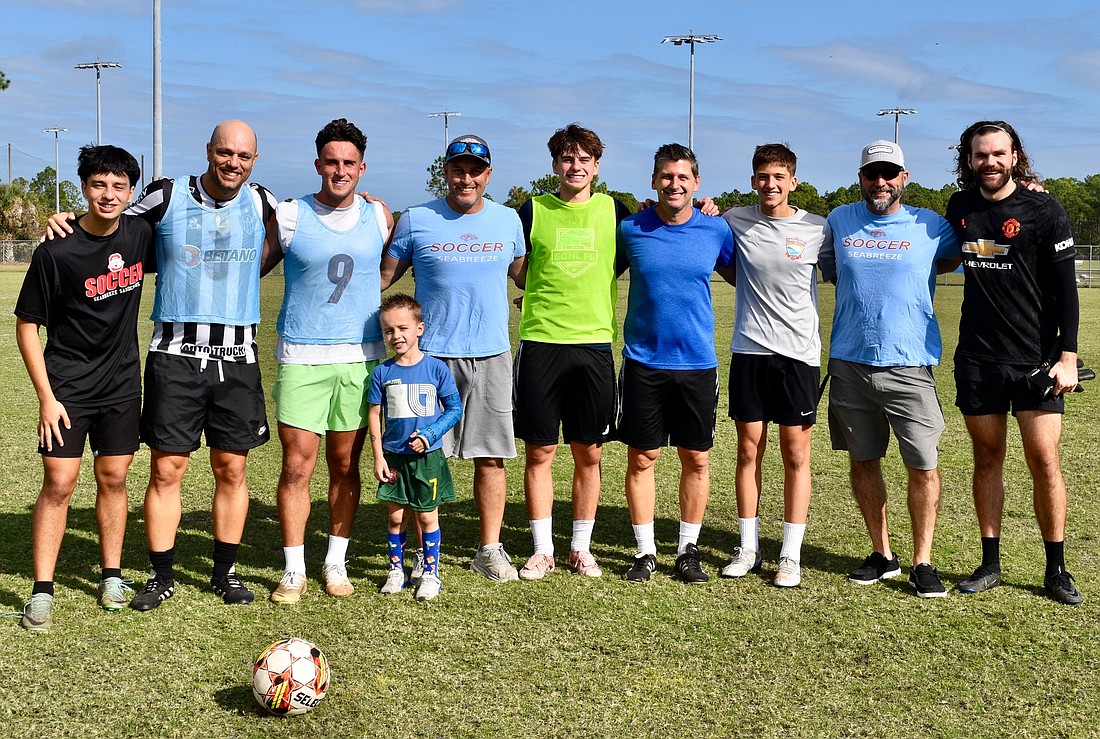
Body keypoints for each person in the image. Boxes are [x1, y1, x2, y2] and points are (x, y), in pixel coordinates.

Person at [46, 120, 278, 610]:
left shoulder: (264, 202)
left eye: (243, 155)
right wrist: (63, 220)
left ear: (254, 160)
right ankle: (162, 574)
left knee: (232, 468)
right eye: (224, 151)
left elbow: (303, 235)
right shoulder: (166, 194)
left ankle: (225, 571)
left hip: (239, 357)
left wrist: (373, 208)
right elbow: (110, 224)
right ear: (209, 150)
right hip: (175, 356)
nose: (233, 161)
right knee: (167, 468)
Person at [15, 145, 153, 631]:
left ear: (131, 191)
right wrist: (46, 398)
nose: (109, 194)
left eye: (119, 186)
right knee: (59, 484)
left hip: (120, 386)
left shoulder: (140, 234)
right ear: (84, 188)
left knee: (114, 479)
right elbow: (26, 326)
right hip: (67, 389)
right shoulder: (56, 249)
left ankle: (111, 576)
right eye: (98, 185)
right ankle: (42, 590)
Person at [946, 121, 1083, 605]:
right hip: (978, 359)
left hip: (1036, 360)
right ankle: (990, 563)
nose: (991, 162)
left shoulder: (1044, 208)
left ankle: (1057, 568)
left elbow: (1067, 289)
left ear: (1015, 155)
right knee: (987, 459)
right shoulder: (959, 206)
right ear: (968, 159)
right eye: (981, 155)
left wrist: (1067, 358)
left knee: (1044, 461)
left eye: (999, 153)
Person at [381, 134, 525, 583]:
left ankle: (489, 549)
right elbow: (382, 278)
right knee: (414, 456)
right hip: (429, 360)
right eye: (458, 169)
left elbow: (528, 277)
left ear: (488, 175)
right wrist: (368, 217)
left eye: (476, 170)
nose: (467, 178)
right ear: (445, 171)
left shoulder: (508, 221)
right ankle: (411, 558)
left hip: (490, 355)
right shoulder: (416, 219)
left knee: (491, 457)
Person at [819, 139, 959, 598]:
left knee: (922, 465)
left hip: (909, 364)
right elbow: (828, 267)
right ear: (860, 178)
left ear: (904, 177)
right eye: (871, 174)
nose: (880, 182)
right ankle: (883, 554)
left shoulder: (931, 225)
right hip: (849, 362)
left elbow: (972, 248)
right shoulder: (839, 220)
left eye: (889, 173)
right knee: (864, 461)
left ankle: (923, 561)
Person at [267, 119, 394, 604]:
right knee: (297, 466)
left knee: (345, 464)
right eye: (330, 162)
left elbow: (389, 271)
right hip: (302, 357)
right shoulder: (291, 214)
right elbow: (252, 264)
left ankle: (335, 562)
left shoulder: (379, 215)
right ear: (317, 163)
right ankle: (293, 569)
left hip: (361, 359)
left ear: (362, 167)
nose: (339, 171)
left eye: (348, 163)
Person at [513, 124, 632, 581]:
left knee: (590, 452)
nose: (575, 166)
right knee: (540, 451)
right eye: (567, 159)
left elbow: (621, 258)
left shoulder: (614, 210)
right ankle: (543, 549)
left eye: (585, 159)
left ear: (597, 166)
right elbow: (520, 271)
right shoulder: (533, 209)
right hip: (542, 343)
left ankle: (580, 548)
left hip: (594, 345)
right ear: (554, 165)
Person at [617, 143, 734, 584]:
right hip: (643, 362)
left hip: (697, 363)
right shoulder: (630, 228)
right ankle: (645, 551)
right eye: (667, 176)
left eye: (683, 177)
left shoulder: (716, 230)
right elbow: (592, 271)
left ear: (697, 183)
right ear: (653, 181)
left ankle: (688, 549)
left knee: (696, 458)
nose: (674, 184)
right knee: (643, 457)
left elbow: (748, 275)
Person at [719, 143, 831, 588]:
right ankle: (748, 547)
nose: (771, 185)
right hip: (749, 352)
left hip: (798, 357)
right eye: (763, 177)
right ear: (753, 181)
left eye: (779, 177)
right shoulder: (735, 220)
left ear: (793, 182)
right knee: (748, 451)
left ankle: (790, 555)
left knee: (795, 455)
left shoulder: (819, 229)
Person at [369, 294, 463, 602]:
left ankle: (430, 573)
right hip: (394, 458)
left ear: (419, 328)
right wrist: (378, 456)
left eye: (403, 328)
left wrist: (432, 432)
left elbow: (454, 408)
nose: (396, 336)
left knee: (426, 517)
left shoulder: (436, 369)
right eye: (388, 330)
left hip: (427, 459)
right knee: (396, 517)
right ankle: (396, 570)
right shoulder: (382, 373)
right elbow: (374, 415)